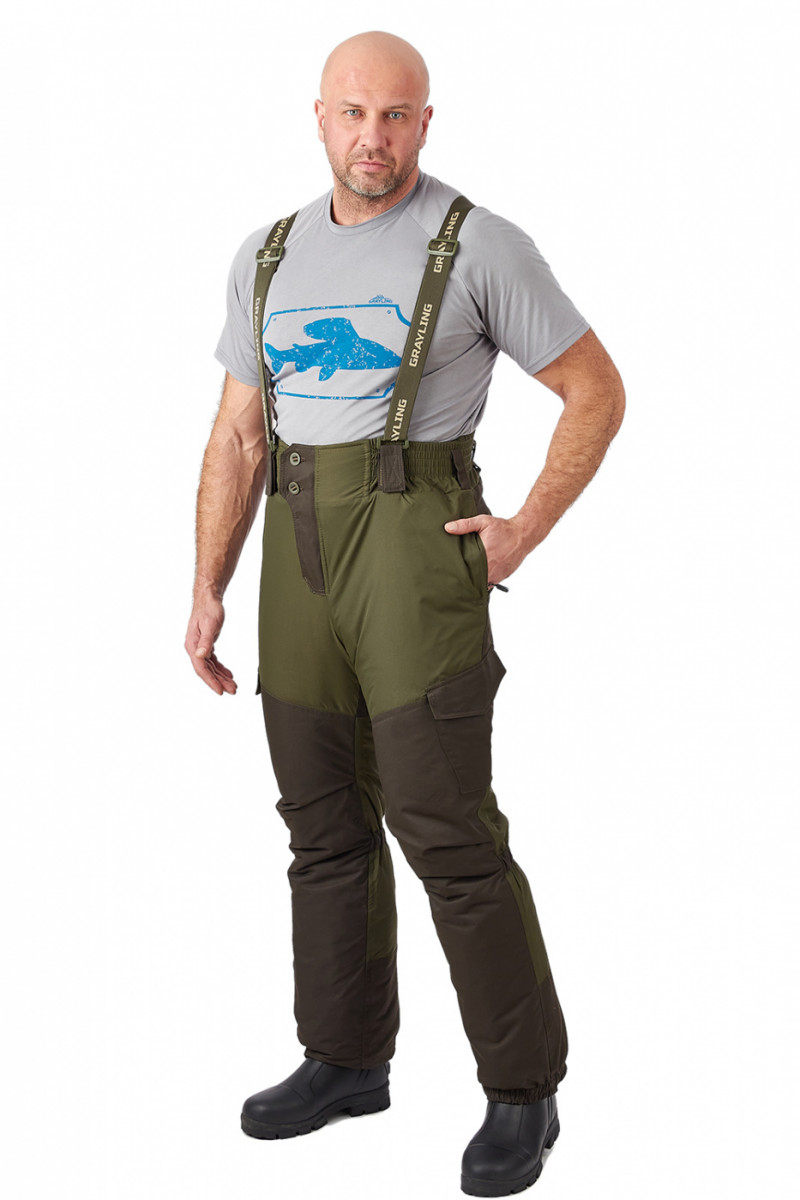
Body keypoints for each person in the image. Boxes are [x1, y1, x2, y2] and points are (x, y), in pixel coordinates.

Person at [185, 29, 624, 1197]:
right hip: (295, 556)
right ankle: (344, 1059)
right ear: (318, 117)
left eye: (394, 115)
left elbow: (593, 388)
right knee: (319, 821)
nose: (371, 136)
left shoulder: (477, 243)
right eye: (352, 113)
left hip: (411, 547)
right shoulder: (267, 254)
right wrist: (207, 584)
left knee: (443, 826)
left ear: (424, 122)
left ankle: (523, 1089)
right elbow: (237, 435)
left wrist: (522, 527)